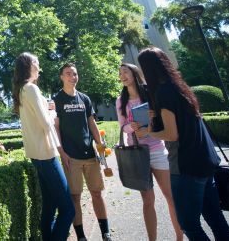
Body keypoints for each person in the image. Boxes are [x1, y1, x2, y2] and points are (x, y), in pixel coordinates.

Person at [137, 47, 229, 241]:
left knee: (189, 224)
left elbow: (172, 135)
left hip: (186, 166)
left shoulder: (163, 93)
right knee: (215, 218)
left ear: (148, 69)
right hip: (206, 160)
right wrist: (156, 117)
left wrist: (149, 131)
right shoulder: (180, 87)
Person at [116, 63, 182, 241]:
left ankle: (180, 237)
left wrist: (153, 119)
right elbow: (122, 126)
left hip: (157, 150)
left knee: (171, 198)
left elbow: (164, 120)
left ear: (135, 73)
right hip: (137, 154)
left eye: (126, 72)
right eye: (120, 73)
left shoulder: (151, 94)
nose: (122, 76)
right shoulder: (120, 101)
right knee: (148, 201)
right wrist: (132, 126)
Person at [13, 52, 75, 241]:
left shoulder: (22, 90)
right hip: (46, 155)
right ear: (28, 66)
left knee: (49, 206)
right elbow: (46, 123)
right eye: (36, 63)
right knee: (68, 210)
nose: (39, 67)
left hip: (36, 154)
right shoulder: (31, 89)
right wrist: (52, 111)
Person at [53, 63, 111, 241]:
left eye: (75, 74)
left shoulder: (84, 98)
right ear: (62, 77)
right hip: (71, 157)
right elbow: (56, 128)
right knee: (75, 197)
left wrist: (100, 144)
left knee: (97, 194)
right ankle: (81, 236)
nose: (72, 77)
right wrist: (62, 152)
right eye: (68, 74)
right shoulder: (56, 100)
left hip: (90, 154)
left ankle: (105, 232)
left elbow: (92, 123)